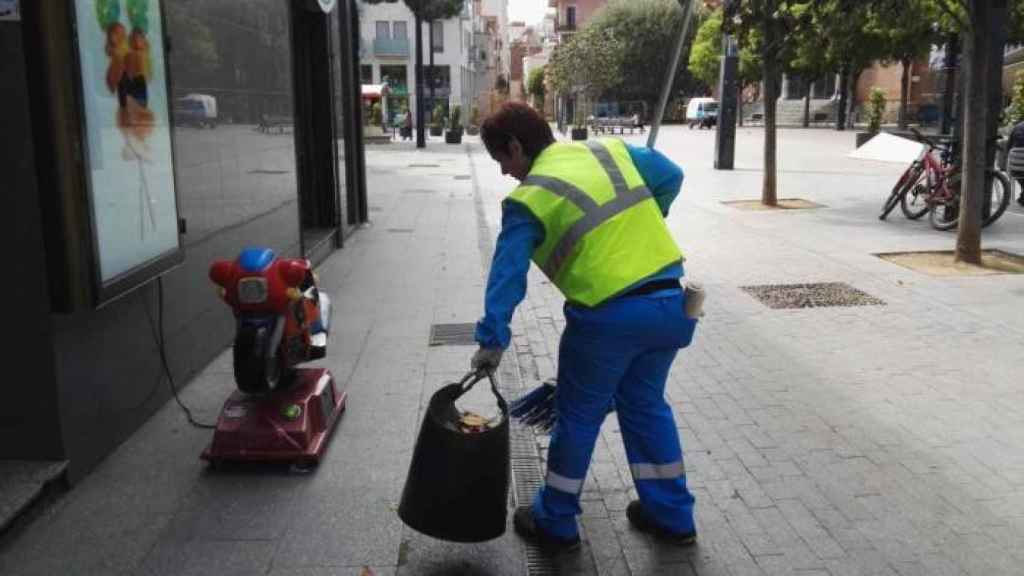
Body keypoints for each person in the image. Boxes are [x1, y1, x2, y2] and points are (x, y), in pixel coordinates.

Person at [471, 102, 698, 553]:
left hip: (608, 319)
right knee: (645, 405)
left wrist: (492, 340)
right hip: (672, 303)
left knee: (577, 416)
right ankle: (671, 514)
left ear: (516, 147)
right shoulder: (609, 150)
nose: (504, 174)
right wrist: (644, 226)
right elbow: (671, 174)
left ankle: (555, 521)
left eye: (502, 161)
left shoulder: (528, 199)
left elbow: (507, 274)